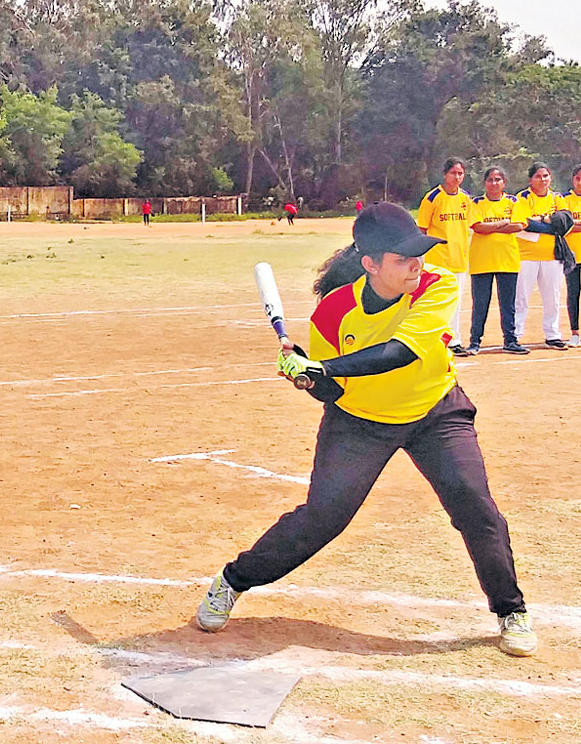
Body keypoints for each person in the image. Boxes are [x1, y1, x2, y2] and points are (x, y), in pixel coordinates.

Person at [193, 202, 537, 657]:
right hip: (359, 423)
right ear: (371, 264)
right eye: (403, 258)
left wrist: (322, 366)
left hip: (435, 412)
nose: (416, 265)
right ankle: (232, 580)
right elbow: (332, 391)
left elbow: (399, 352)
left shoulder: (438, 285)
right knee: (323, 519)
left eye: (418, 254)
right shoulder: (333, 314)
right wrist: (306, 375)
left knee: (474, 505)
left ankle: (511, 609)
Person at [416, 157, 477, 357]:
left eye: (460, 173)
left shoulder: (465, 198)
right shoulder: (432, 198)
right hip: (437, 260)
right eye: (453, 173)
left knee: (456, 302)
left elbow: (471, 225)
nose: (457, 177)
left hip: (459, 258)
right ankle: (433, 340)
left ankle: (454, 340)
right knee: (436, 302)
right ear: (445, 174)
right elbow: (421, 230)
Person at [468, 167, 528, 355]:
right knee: (480, 304)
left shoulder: (513, 201)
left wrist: (491, 227)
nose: (494, 183)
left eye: (498, 179)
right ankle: (474, 341)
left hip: (507, 259)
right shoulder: (476, 202)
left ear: (504, 182)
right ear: (484, 183)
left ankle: (510, 340)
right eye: (490, 180)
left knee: (508, 304)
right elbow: (478, 227)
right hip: (482, 261)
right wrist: (502, 223)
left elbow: (518, 225)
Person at [511, 162, 568, 349]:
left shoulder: (557, 198)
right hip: (526, 255)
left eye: (545, 176)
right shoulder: (522, 197)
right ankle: (515, 334)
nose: (543, 180)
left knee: (552, 297)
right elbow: (526, 223)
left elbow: (564, 222)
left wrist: (542, 221)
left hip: (552, 255)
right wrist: (548, 222)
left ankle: (552, 335)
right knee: (521, 297)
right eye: (538, 176)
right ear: (530, 179)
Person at [559, 164, 581, 347]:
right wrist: (572, 225)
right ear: (573, 180)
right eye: (578, 178)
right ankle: (575, 332)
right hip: (572, 256)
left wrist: (575, 224)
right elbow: (565, 224)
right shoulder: (565, 200)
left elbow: (573, 224)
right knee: (573, 294)